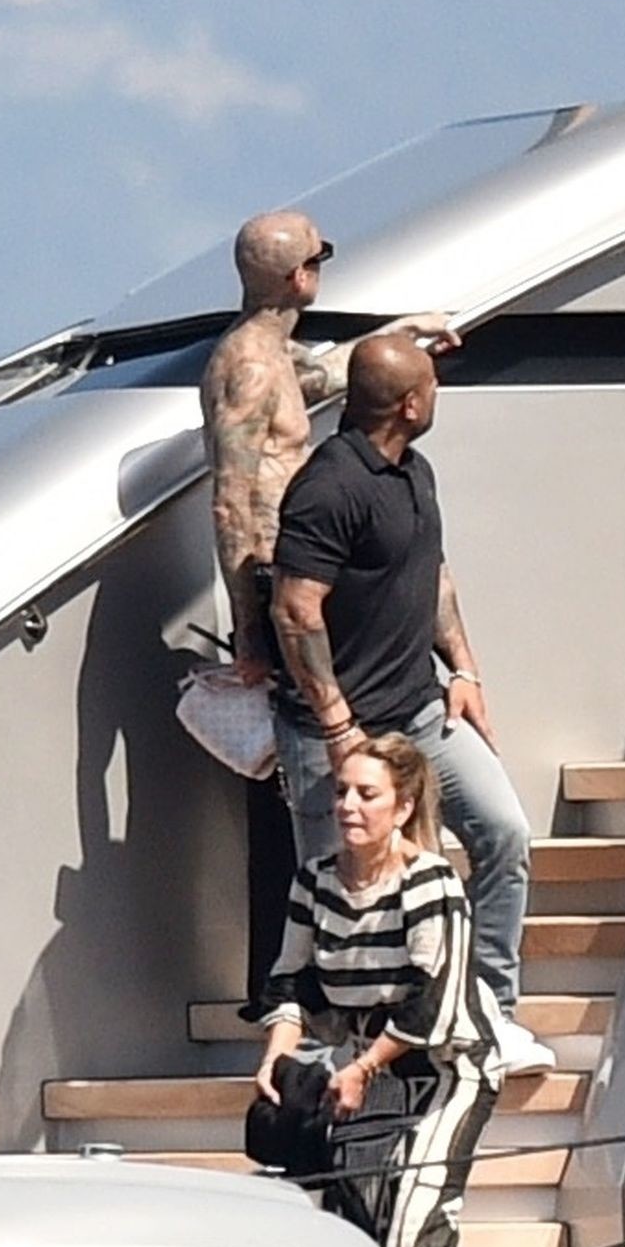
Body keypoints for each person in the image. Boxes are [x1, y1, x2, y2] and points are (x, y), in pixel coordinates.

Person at [270, 332, 553, 1075]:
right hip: (336, 733)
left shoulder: (413, 472)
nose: (437, 392)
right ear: (409, 403)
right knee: (339, 890)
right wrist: (338, 726)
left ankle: (491, 1011)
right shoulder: (329, 486)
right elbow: (295, 609)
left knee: (503, 834)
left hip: (422, 713)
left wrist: (465, 671)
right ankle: (338, 1046)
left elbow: (434, 576)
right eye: (431, 383)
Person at [199, 210, 458, 1010]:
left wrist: (401, 335)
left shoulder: (271, 353)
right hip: (283, 595)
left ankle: (328, 987)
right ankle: (302, 996)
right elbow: (233, 501)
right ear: (299, 277)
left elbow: (320, 377)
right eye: (320, 257)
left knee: (331, 809)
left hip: (308, 585)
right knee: (316, 820)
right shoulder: (248, 366)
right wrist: (252, 631)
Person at [254, 732, 501, 1247]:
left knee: (415, 1212)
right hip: (368, 1066)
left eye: (367, 794)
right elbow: (290, 981)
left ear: (403, 807)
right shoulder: (314, 881)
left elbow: (429, 1002)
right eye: (342, 792)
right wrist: (275, 1058)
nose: (348, 806)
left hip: (446, 1068)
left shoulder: (431, 881)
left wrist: (363, 1067)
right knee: (359, 1211)